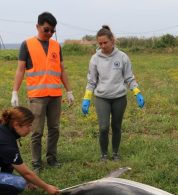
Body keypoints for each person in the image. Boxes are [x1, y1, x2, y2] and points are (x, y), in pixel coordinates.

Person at [11, 12, 74, 173]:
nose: (49, 33)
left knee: (54, 129)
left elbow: (61, 70)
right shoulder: (27, 44)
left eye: (52, 31)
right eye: (46, 29)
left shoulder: (56, 46)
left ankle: (52, 158)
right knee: (36, 131)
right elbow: (20, 70)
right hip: (37, 96)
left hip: (55, 96)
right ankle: (36, 162)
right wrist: (15, 92)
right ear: (38, 26)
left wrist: (69, 91)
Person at [81, 25, 145, 162]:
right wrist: (87, 98)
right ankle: (104, 154)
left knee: (116, 126)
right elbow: (91, 81)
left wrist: (137, 92)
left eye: (105, 42)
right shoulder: (95, 59)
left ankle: (115, 153)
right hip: (102, 98)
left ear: (112, 41)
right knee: (103, 127)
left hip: (119, 98)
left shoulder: (122, 57)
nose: (103, 46)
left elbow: (129, 78)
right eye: (100, 43)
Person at [0, 106, 59, 195]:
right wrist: (47, 187)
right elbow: (26, 173)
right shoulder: (5, 142)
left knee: (9, 163)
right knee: (19, 183)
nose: (30, 129)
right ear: (16, 124)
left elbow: (15, 162)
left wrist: (30, 180)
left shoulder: (5, 130)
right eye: (28, 125)